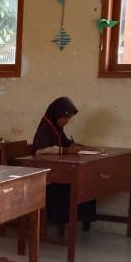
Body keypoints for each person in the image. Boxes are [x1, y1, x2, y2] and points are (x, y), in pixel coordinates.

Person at [32, 96, 97, 225]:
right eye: (65, 117)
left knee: (86, 183)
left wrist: (78, 146)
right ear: (57, 114)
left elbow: (66, 143)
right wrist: (66, 150)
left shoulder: (56, 128)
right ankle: (63, 220)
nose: (67, 121)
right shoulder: (46, 127)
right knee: (73, 185)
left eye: (69, 118)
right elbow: (41, 150)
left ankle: (79, 219)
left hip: (56, 170)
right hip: (46, 174)